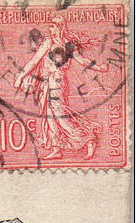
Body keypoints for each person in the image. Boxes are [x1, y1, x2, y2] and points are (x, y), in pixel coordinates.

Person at [13, 16, 109, 160]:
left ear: (60, 27)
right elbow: (34, 61)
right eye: (50, 26)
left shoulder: (63, 44)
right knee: (50, 117)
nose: (50, 29)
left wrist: (99, 68)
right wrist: (21, 76)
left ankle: (88, 139)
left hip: (56, 82)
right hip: (46, 83)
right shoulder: (51, 42)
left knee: (59, 115)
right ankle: (56, 149)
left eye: (52, 26)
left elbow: (82, 61)